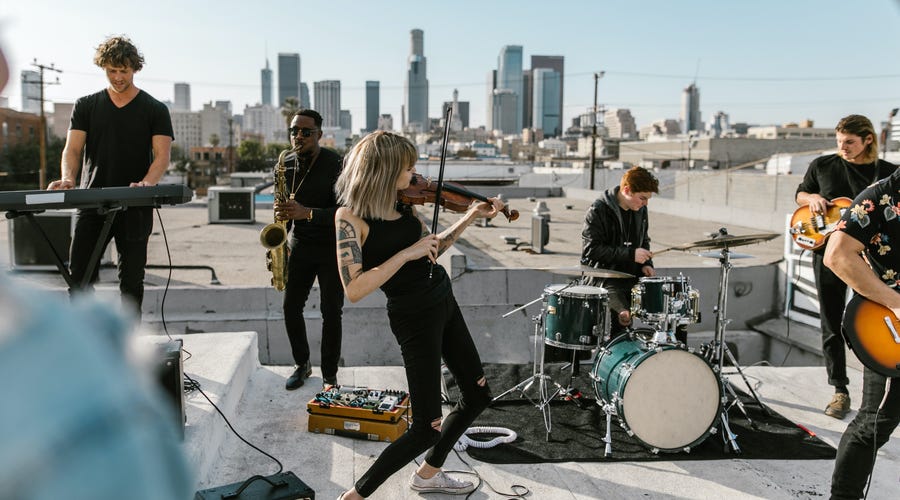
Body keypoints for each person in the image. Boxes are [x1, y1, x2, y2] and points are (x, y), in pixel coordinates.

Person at [333, 131, 502, 499]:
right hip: (414, 316)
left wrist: (471, 215)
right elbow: (355, 289)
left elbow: (431, 249)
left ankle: (428, 474)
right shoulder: (350, 217)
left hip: (444, 300)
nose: (415, 173)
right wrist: (406, 255)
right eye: (408, 166)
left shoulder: (404, 205)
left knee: (477, 396)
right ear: (385, 169)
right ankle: (355, 496)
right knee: (426, 426)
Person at [47, 35, 173, 319]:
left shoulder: (155, 109)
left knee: (131, 282)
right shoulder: (87, 105)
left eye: (124, 71)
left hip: (135, 205)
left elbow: (162, 156)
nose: (118, 77)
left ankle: (126, 348)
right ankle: (86, 347)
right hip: (93, 203)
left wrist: (147, 183)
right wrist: (68, 178)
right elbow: (73, 149)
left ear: (135, 69)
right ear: (103, 67)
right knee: (79, 278)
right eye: (111, 70)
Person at [796, 114, 896, 419]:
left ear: (868, 140)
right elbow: (800, 193)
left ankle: (875, 392)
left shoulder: (889, 174)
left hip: (871, 263)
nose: (844, 148)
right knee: (831, 321)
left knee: (873, 320)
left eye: (850, 142)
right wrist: (811, 197)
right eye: (840, 142)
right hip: (827, 253)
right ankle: (839, 388)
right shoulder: (823, 165)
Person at [823, 169, 900, 499]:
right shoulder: (879, 196)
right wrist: (896, 303)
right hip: (892, 329)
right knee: (875, 423)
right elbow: (837, 255)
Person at [276, 109, 345, 390]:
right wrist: (282, 237)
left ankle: (329, 375)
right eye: (294, 131)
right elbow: (286, 208)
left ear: (319, 134)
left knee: (331, 311)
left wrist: (308, 214)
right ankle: (302, 364)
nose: (298, 136)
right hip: (300, 245)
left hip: (330, 247)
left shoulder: (337, 164)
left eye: (305, 132)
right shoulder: (285, 163)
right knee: (290, 307)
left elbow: (345, 212)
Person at [581, 166, 667, 340]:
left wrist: (646, 264)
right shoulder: (598, 210)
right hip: (604, 278)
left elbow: (644, 240)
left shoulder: (640, 210)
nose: (645, 203)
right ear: (627, 190)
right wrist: (631, 254)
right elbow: (591, 251)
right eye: (642, 198)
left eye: (648, 199)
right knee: (623, 316)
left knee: (673, 308)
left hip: (631, 275)